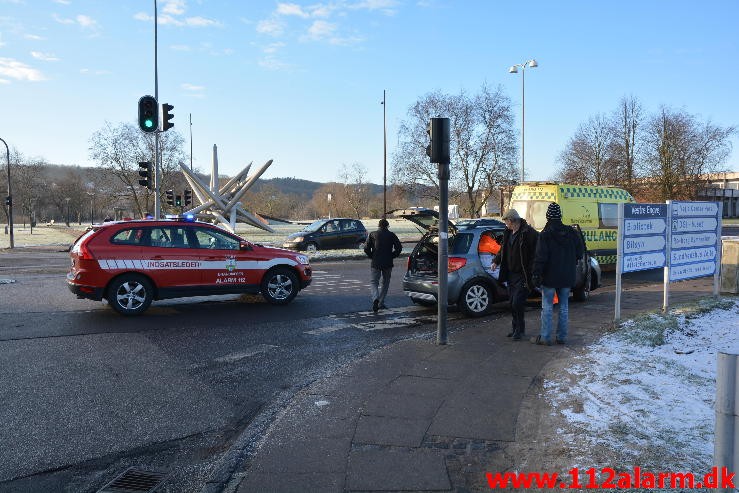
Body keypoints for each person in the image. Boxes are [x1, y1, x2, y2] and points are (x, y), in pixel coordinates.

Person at [530, 202, 584, 345]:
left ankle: (545, 337)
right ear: (560, 216)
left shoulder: (545, 235)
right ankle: (561, 337)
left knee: (547, 307)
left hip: (549, 277)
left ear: (548, 216)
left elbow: (540, 258)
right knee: (564, 307)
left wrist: (536, 275)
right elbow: (580, 252)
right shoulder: (571, 233)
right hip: (567, 276)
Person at [492, 209, 538, 340]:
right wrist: (496, 261)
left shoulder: (528, 233)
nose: (505, 224)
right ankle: (515, 329)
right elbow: (503, 250)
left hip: (523, 274)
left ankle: (520, 330)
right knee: (512, 302)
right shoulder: (508, 233)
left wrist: (532, 270)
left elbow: (536, 252)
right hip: (511, 274)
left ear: (512, 221)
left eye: (506, 222)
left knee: (517, 302)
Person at [364, 218, 403, 312]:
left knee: (374, 282)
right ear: (387, 226)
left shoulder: (373, 234)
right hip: (388, 263)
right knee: (385, 283)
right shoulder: (392, 235)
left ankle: (375, 298)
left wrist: (372, 256)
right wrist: (392, 256)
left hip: (376, 262)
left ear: (379, 225)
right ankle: (381, 302)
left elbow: (366, 248)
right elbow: (399, 248)